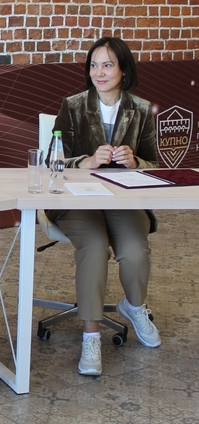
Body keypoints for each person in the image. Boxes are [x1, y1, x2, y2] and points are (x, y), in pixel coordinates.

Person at [49, 36, 160, 377]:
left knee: (135, 250)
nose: (99, 72)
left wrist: (136, 162)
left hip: (122, 199)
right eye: (94, 65)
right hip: (77, 201)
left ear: (124, 70)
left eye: (108, 65)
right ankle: (91, 336)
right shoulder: (72, 106)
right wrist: (85, 161)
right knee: (95, 247)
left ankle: (134, 306)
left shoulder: (141, 110)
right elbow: (53, 161)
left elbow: (156, 166)